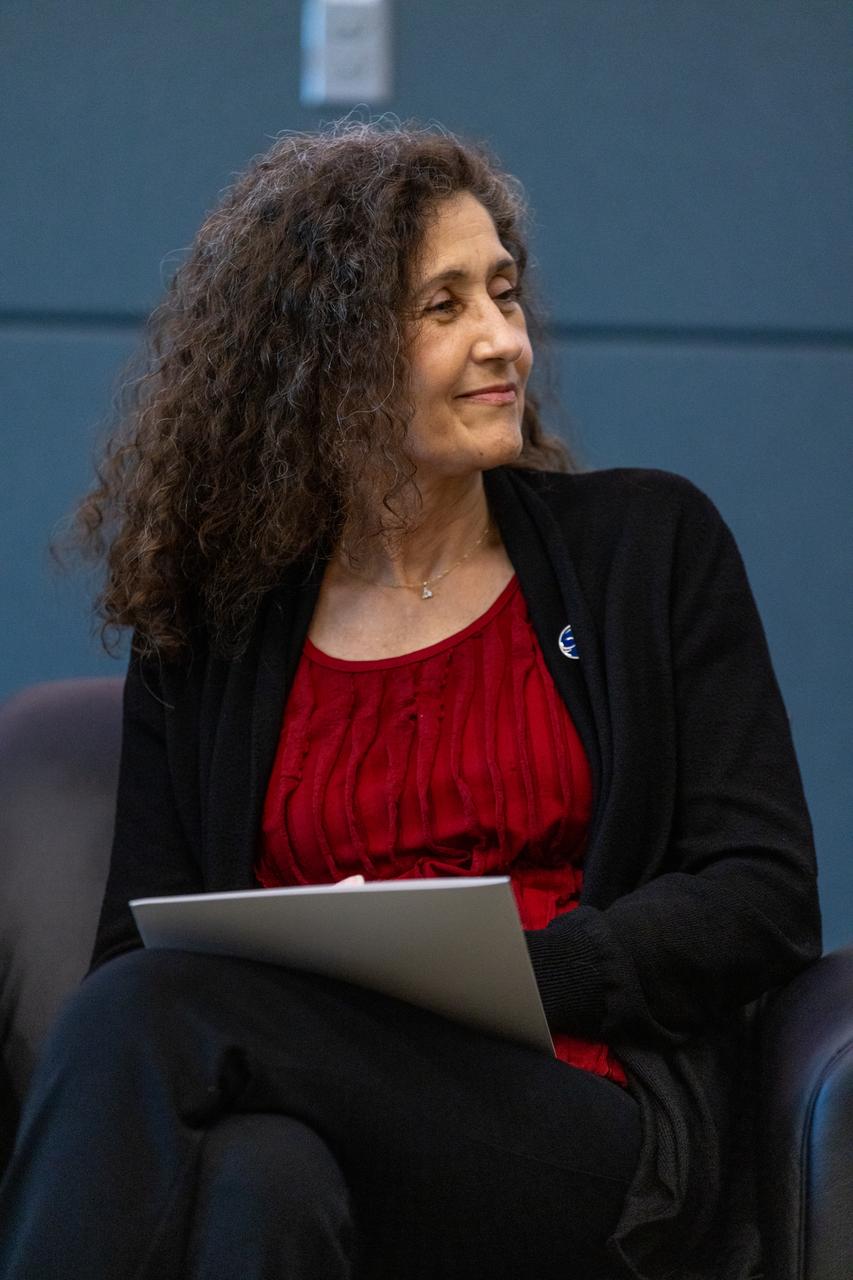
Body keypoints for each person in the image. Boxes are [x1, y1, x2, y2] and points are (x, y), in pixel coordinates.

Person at [0, 120, 821, 1280]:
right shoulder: (216, 621)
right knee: (256, 1189)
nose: (504, 342)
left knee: (149, 1016)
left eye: (503, 292)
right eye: (442, 307)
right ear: (324, 356)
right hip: (302, 1107)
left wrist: (541, 969)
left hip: (569, 1118)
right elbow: (140, 938)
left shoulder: (650, 545)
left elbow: (766, 892)